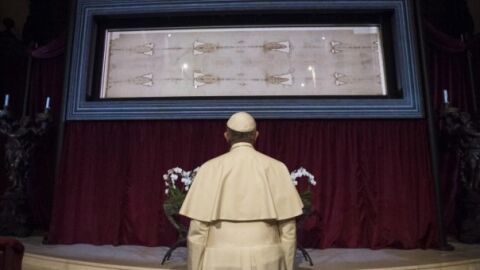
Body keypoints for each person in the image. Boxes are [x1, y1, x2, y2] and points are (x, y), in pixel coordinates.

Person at [179, 112, 304, 270]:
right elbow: (288, 230)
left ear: (226, 136)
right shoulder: (277, 168)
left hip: (219, 260)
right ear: (256, 135)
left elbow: (197, 232)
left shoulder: (209, 168)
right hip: (268, 259)